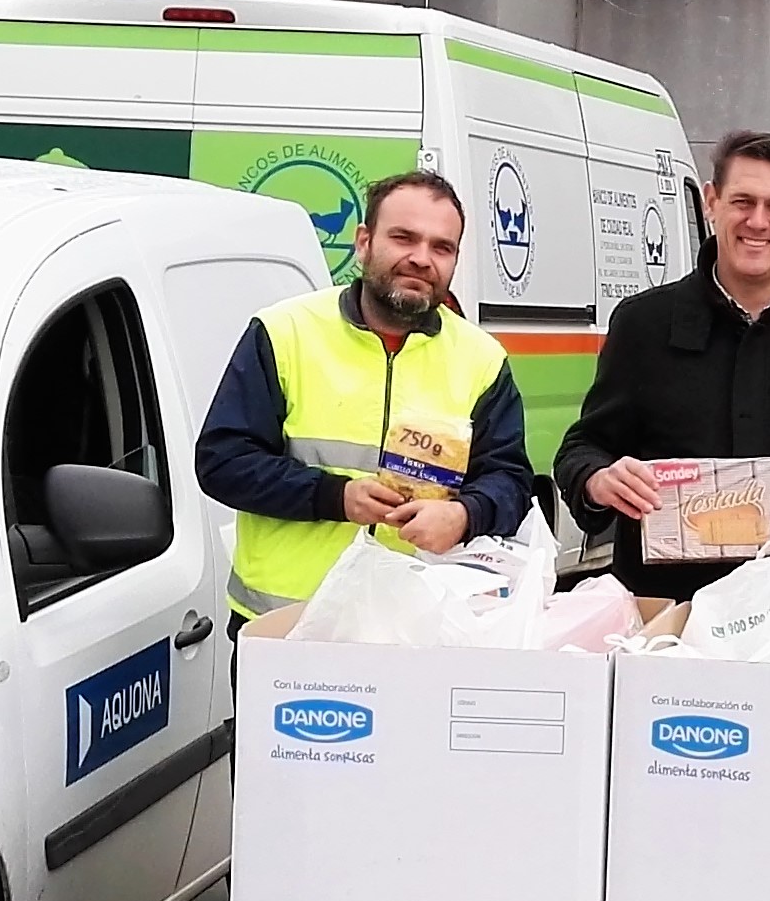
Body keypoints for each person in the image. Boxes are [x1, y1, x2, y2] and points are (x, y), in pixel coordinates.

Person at [554, 130, 770, 603]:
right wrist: (598, 479)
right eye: (742, 201)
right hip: (668, 615)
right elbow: (584, 447)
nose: (758, 221)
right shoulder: (644, 326)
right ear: (711, 202)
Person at [198, 169, 532, 631]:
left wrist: (463, 514)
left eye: (442, 247)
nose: (421, 259)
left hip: (418, 629)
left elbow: (511, 480)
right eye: (403, 238)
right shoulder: (284, 332)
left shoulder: (481, 359)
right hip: (288, 626)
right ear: (363, 242)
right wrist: (336, 496)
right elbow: (222, 462)